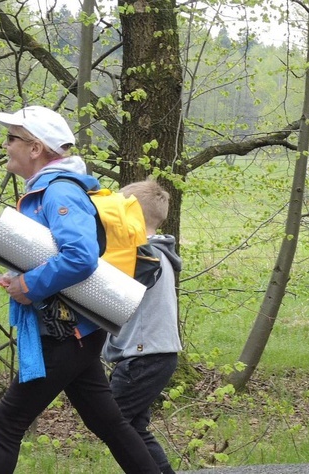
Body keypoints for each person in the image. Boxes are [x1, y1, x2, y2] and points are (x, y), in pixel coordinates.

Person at [0, 105, 161, 474]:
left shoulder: (59, 192)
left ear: (36, 148)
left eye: (12, 138)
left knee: (6, 423)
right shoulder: (50, 189)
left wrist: (28, 284)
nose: (5, 145)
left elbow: (80, 257)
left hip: (64, 331)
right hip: (75, 329)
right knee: (108, 423)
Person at [103, 178, 183, 474]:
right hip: (153, 354)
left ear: (132, 214)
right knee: (134, 427)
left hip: (144, 356)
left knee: (113, 422)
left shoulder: (142, 255)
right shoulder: (154, 253)